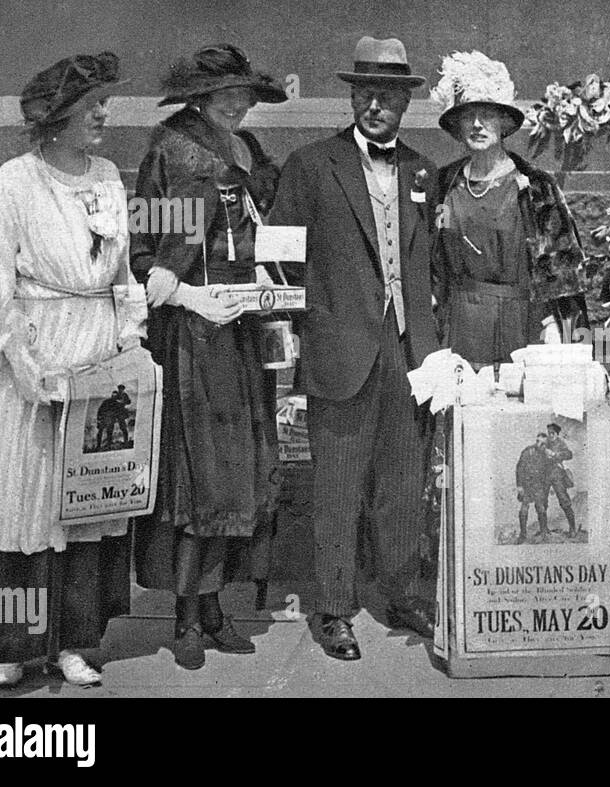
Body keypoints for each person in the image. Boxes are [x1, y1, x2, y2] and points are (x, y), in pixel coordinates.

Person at [0, 52, 141, 687]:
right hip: (36, 361)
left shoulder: (108, 177)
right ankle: (12, 647)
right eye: (92, 103)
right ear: (55, 114)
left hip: (98, 356)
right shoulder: (12, 182)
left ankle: (74, 641)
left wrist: (128, 340)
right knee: (30, 502)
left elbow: (122, 277)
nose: (104, 113)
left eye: (105, 100)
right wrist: (26, 369)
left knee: (88, 501)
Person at [269, 36, 440, 658]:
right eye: (366, 93)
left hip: (409, 349)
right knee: (337, 486)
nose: (377, 104)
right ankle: (335, 608)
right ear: (351, 96)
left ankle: (399, 594)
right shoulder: (312, 165)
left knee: (402, 482)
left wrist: (434, 345)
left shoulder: (423, 170)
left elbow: (432, 265)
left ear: (405, 102)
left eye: (389, 94)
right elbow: (280, 264)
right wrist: (306, 333)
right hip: (340, 348)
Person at [130, 44, 287, 671]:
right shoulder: (168, 154)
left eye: (245, 92)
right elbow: (143, 255)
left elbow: (272, 234)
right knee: (196, 475)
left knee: (239, 469)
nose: (240, 102)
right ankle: (186, 618)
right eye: (227, 92)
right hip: (193, 338)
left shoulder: (250, 155)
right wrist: (191, 296)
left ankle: (218, 608)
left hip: (245, 329)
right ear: (198, 97)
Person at [430, 50, 587, 367]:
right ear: (457, 126)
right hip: (459, 328)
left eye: (487, 115)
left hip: (521, 326)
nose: (477, 124)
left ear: (503, 124)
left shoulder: (536, 185)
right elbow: (432, 266)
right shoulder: (443, 183)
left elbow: (565, 274)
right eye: (467, 116)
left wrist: (566, 338)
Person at [542, 423, 578, 537]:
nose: (550, 435)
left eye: (553, 433)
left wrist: (555, 454)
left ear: (557, 434)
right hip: (545, 475)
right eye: (549, 433)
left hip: (557, 475)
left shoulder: (561, 443)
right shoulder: (544, 443)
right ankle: (544, 529)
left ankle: (572, 528)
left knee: (564, 501)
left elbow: (569, 454)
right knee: (542, 502)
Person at [515, 433, 552, 543]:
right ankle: (523, 534)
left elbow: (548, 471)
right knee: (524, 509)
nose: (541, 445)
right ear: (536, 441)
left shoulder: (545, 454)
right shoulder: (527, 452)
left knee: (541, 508)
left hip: (539, 485)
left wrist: (547, 486)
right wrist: (520, 486)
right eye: (539, 442)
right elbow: (519, 469)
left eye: (544, 444)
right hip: (526, 485)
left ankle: (544, 532)